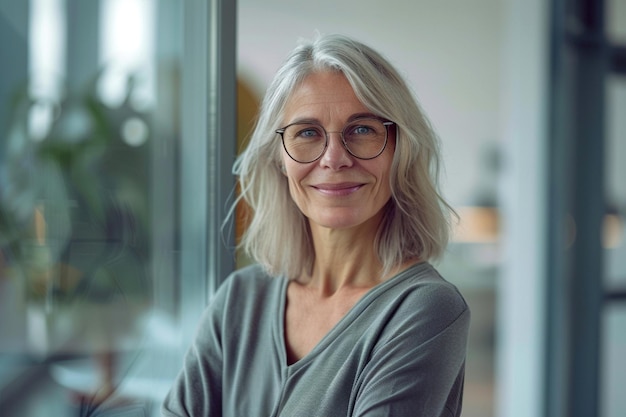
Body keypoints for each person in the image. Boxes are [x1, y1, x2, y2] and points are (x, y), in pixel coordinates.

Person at [162, 34, 470, 417]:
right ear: (279, 158)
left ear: (399, 149)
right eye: (307, 133)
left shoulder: (423, 308)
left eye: (362, 129)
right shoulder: (239, 299)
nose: (334, 158)